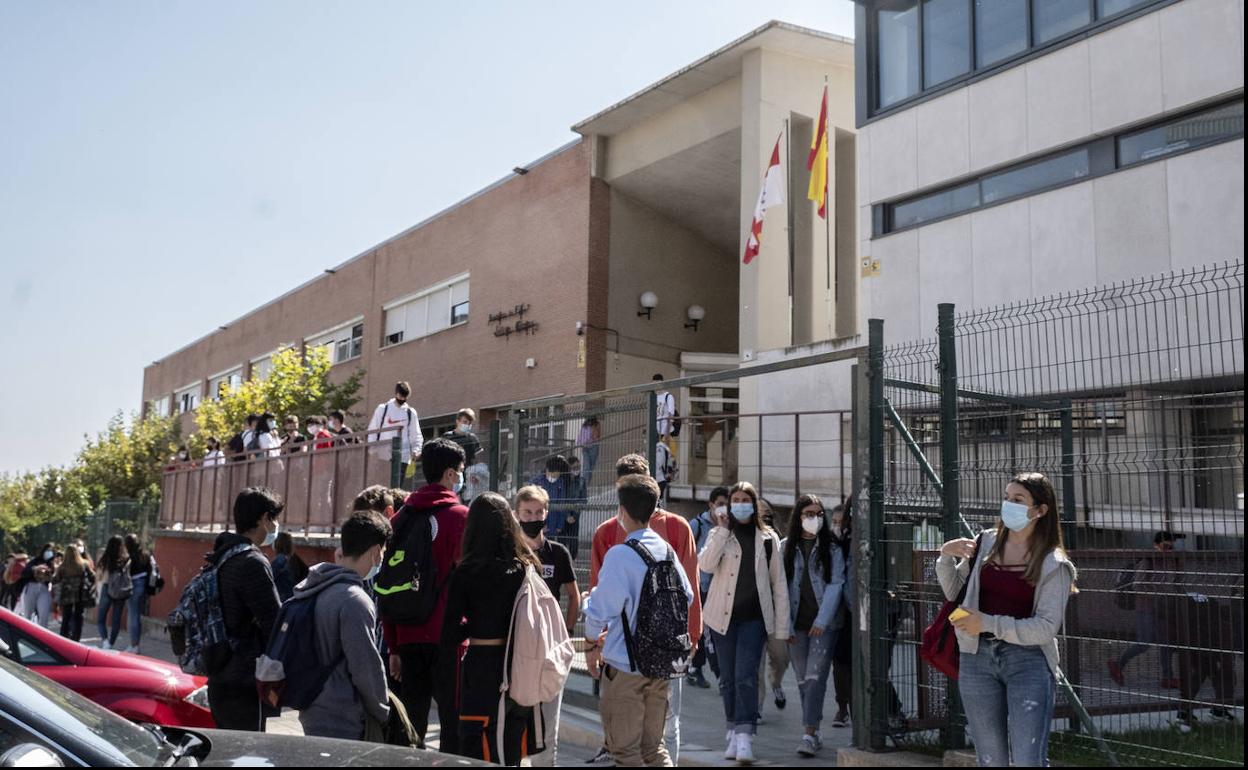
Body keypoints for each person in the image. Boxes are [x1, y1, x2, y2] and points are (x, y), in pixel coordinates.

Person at [937, 472, 1077, 768]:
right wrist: (945, 557)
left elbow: (1045, 628)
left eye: (1018, 500)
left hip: (1028, 662)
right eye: (1006, 497)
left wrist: (987, 623)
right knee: (990, 759)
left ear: (1040, 511)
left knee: (1027, 760)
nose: (1008, 505)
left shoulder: (1056, 564)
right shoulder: (986, 542)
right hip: (977, 659)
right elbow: (955, 592)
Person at [587, 453, 702, 767]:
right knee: (656, 746)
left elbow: (601, 606)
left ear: (622, 507)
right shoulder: (667, 546)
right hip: (664, 656)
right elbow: (689, 594)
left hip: (626, 661)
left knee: (624, 750)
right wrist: (689, 638)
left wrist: (591, 639)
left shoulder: (617, 549)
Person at [380, 438, 468, 753]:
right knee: (451, 722)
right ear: (448, 474)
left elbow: (387, 583)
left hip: (405, 633)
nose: (461, 477)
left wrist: (393, 646)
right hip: (448, 635)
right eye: (460, 471)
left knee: (409, 722)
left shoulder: (400, 518)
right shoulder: (460, 516)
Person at [441, 493, 539, 765]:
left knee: (477, 740)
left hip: (482, 667)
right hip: (519, 666)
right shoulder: (524, 568)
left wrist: (473, 626)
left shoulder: (466, 571)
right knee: (511, 738)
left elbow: (449, 631)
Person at [698, 481, 790, 764]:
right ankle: (732, 728)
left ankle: (745, 735)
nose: (738, 504)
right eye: (734, 499)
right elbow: (705, 565)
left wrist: (782, 628)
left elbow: (779, 585)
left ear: (753, 503)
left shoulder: (768, 539)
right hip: (721, 619)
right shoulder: (718, 533)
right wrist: (724, 530)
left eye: (744, 499)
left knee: (746, 675)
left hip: (754, 619)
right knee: (726, 679)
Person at [296, 510, 393, 740]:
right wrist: (383, 711)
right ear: (376, 552)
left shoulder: (314, 588)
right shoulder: (354, 600)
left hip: (311, 707)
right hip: (344, 718)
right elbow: (365, 668)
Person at [206, 486, 283, 731]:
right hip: (244, 680)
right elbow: (275, 621)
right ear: (263, 518)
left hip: (219, 670)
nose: (276, 525)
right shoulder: (252, 562)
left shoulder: (222, 555)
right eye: (274, 518)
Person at [514, 485, 580, 767]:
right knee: (515, 721)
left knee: (549, 725)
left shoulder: (558, 553)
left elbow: (573, 596)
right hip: (518, 650)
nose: (533, 517)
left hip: (550, 651)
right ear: (517, 514)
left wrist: (566, 633)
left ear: (546, 513)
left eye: (538, 511)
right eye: (527, 512)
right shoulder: (510, 552)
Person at [782, 494, 846, 757]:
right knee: (801, 679)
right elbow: (779, 587)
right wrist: (783, 624)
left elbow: (836, 584)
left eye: (819, 514)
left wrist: (823, 620)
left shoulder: (832, 548)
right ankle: (815, 729)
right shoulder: (785, 547)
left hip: (823, 625)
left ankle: (808, 734)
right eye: (809, 513)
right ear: (798, 517)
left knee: (815, 677)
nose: (815, 519)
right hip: (796, 624)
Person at [1108, 531, 1182, 689]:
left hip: (1163, 609)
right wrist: (1158, 590)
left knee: (1166, 642)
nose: (1169, 549)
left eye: (1171, 546)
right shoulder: (1148, 560)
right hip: (1146, 608)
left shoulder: (1171, 561)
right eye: (1166, 546)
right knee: (1144, 643)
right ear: (1156, 545)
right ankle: (1118, 664)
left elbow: (1174, 582)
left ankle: (1167, 678)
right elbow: (1138, 584)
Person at [687, 486, 730, 689]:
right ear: (711, 505)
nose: (724, 509)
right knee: (705, 632)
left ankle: (707, 670)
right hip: (700, 586)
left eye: (727, 505)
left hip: (721, 587)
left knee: (713, 633)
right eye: (720, 504)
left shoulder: (730, 527)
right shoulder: (696, 525)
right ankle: (705, 671)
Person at [757, 498, 790, 715]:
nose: (765, 516)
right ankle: (756, 708)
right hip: (753, 612)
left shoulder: (777, 541)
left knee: (781, 657)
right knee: (755, 665)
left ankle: (776, 683)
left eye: (768, 512)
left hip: (776, 612)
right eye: (761, 513)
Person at [828, 499, 853, 728]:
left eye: (841, 521)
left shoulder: (852, 541)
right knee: (840, 662)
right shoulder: (832, 544)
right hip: (839, 612)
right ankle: (842, 707)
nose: (838, 526)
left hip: (855, 609)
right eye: (834, 522)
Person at [368, 381, 424, 480]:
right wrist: (372, 450)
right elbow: (373, 430)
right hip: (383, 457)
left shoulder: (410, 412)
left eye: (405, 397)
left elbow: (416, 434)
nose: (402, 399)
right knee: (382, 486)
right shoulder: (383, 409)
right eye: (400, 395)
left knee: (396, 488)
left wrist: (416, 450)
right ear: (396, 393)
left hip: (403, 457)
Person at [52, 541, 94, 641]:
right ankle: (76, 639)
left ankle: (63, 639)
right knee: (79, 617)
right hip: (81, 594)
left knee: (66, 617)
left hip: (66, 595)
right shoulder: (84, 564)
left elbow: (55, 580)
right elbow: (93, 577)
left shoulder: (62, 567)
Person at [122, 534, 154, 654]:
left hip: (133, 586)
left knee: (132, 616)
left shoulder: (129, 557)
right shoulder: (145, 555)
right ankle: (136, 644)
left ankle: (133, 645)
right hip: (144, 586)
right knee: (137, 616)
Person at [95, 536, 128, 649]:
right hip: (120, 590)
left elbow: (99, 576)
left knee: (101, 619)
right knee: (116, 619)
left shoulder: (105, 559)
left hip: (106, 587)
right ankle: (112, 642)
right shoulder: (125, 560)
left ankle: (105, 641)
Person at [17, 543, 57, 629]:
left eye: (51, 551)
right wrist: (35, 568)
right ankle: (26, 633)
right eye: (48, 550)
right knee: (28, 614)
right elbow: (24, 574)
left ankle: (42, 637)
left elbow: (53, 579)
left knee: (44, 615)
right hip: (31, 587)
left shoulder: (51, 564)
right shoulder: (34, 561)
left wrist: (50, 573)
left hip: (44, 589)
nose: (49, 553)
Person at [271, 531, 309, 602]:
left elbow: (270, 580)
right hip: (295, 598)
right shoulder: (294, 559)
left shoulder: (279, 561)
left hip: (284, 600)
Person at [563, 455, 589, 559]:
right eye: (574, 468)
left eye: (578, 467)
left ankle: (573, 560)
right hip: (563, 515)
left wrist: (574, 515)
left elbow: (583, 499)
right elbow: (561, 499)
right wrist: (566, 516)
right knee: (563, 540)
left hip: (575, 515)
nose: (577, 470)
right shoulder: (563, 481)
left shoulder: (582, 480)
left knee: (573, 541)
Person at [653, 374, 677, 453]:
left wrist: (667, 433)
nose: (656, 386)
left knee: (665, 455)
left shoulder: (668, 396)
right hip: (656, 432)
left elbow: (671, 414)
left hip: (665, 432)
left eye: (658, 383)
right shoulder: (654, 397)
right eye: (654, 384)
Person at [577, 416, 602, 483]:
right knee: (588, 467)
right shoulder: (594, 424)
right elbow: (597, 436)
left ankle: (585, 484)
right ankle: (584, 484)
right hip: (590, 446)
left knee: (588, 467)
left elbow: (596, 436)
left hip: (588, 446)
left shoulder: (587, 424)